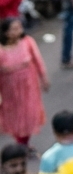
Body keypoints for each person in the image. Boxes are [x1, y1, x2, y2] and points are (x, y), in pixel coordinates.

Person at [0, 18, 47, 148]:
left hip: (29, 87)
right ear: (6, 33)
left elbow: (38, 60)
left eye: (19, 27)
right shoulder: (1, 50)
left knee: (29, 114)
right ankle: (21, 143)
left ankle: (22, 143)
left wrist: (43, 78)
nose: (19, 31)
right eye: (14, 29)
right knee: (14, 117)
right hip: (9, 91)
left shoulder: (27, 42)